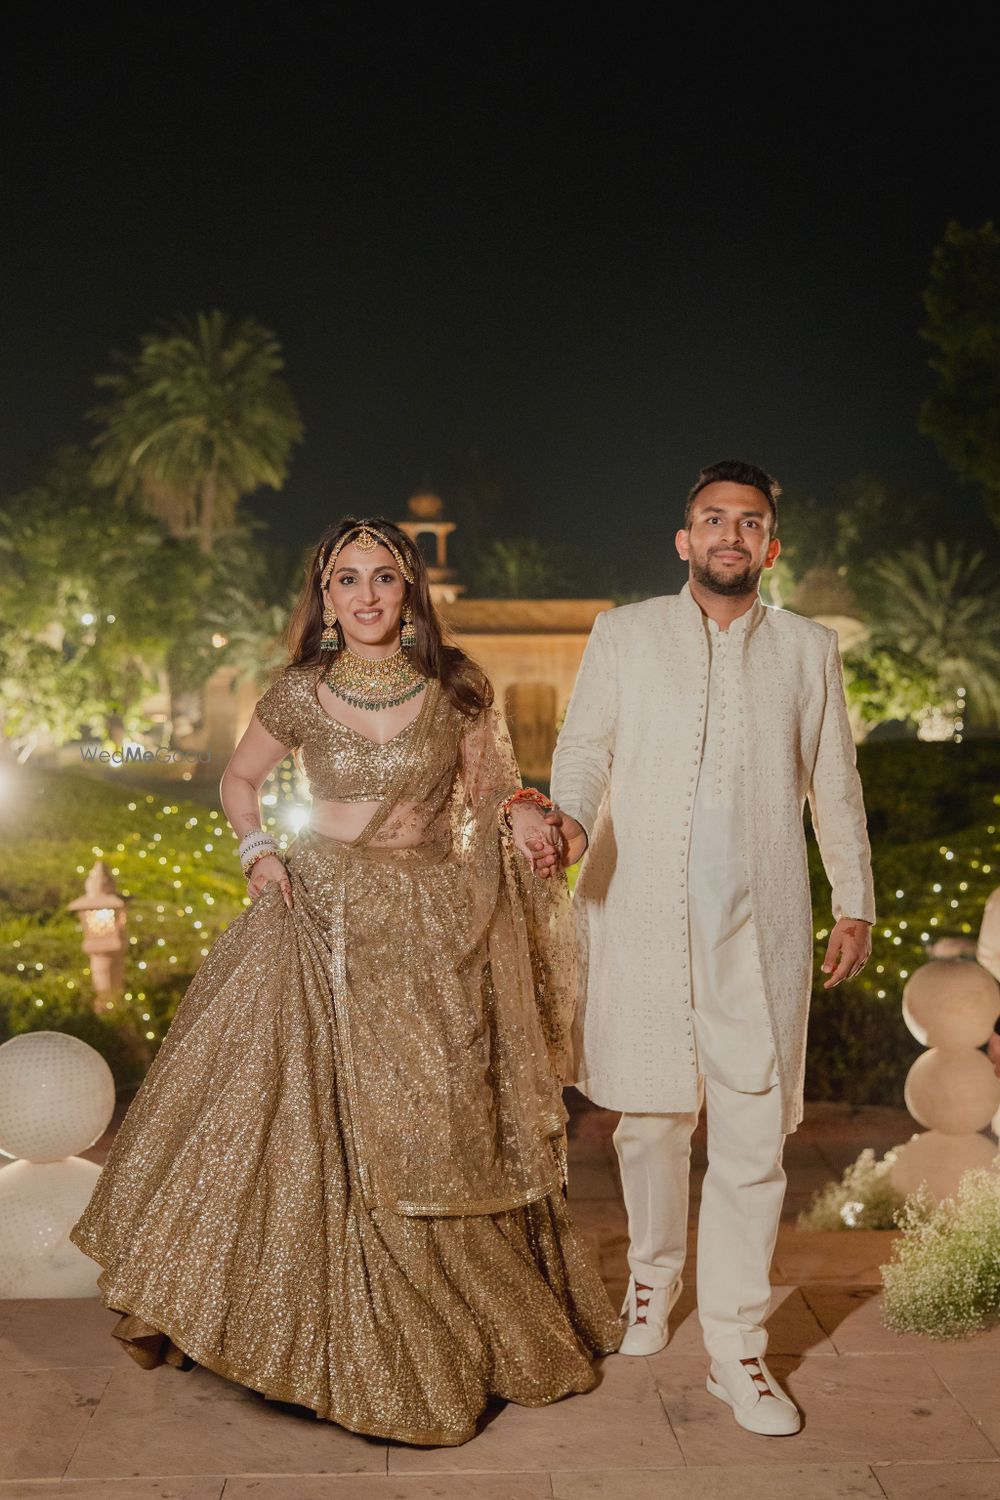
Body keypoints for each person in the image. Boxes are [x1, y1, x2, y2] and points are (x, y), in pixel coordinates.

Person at [71, 516, 622, 1447]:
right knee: (296, 1116)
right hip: (318, 912)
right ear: (324, 599)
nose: (366, 596)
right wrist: (257, 853)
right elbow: (239, 782)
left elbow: (492, 792)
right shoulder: (298, 693)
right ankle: (304, 1326)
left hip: (433, 918)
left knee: (437, 1109)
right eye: (347, 580)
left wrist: (526, 817)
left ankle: (460, 1315)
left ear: (409, 594)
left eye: (383, 579)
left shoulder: (456, 689)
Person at [544, 460, 875, 1436]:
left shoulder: (806, 650)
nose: (729, 534)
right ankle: (651, 1286)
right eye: (711, 520)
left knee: (751, 1133)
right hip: (640, 910)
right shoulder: (624, 633)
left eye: (749, 522)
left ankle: (736, 1347)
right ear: (683, 541)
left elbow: (834, 782)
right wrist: (560, 826)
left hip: (758, 923)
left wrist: (851, 897)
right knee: (647, 1121)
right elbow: (583, 751)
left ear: (769, 547)